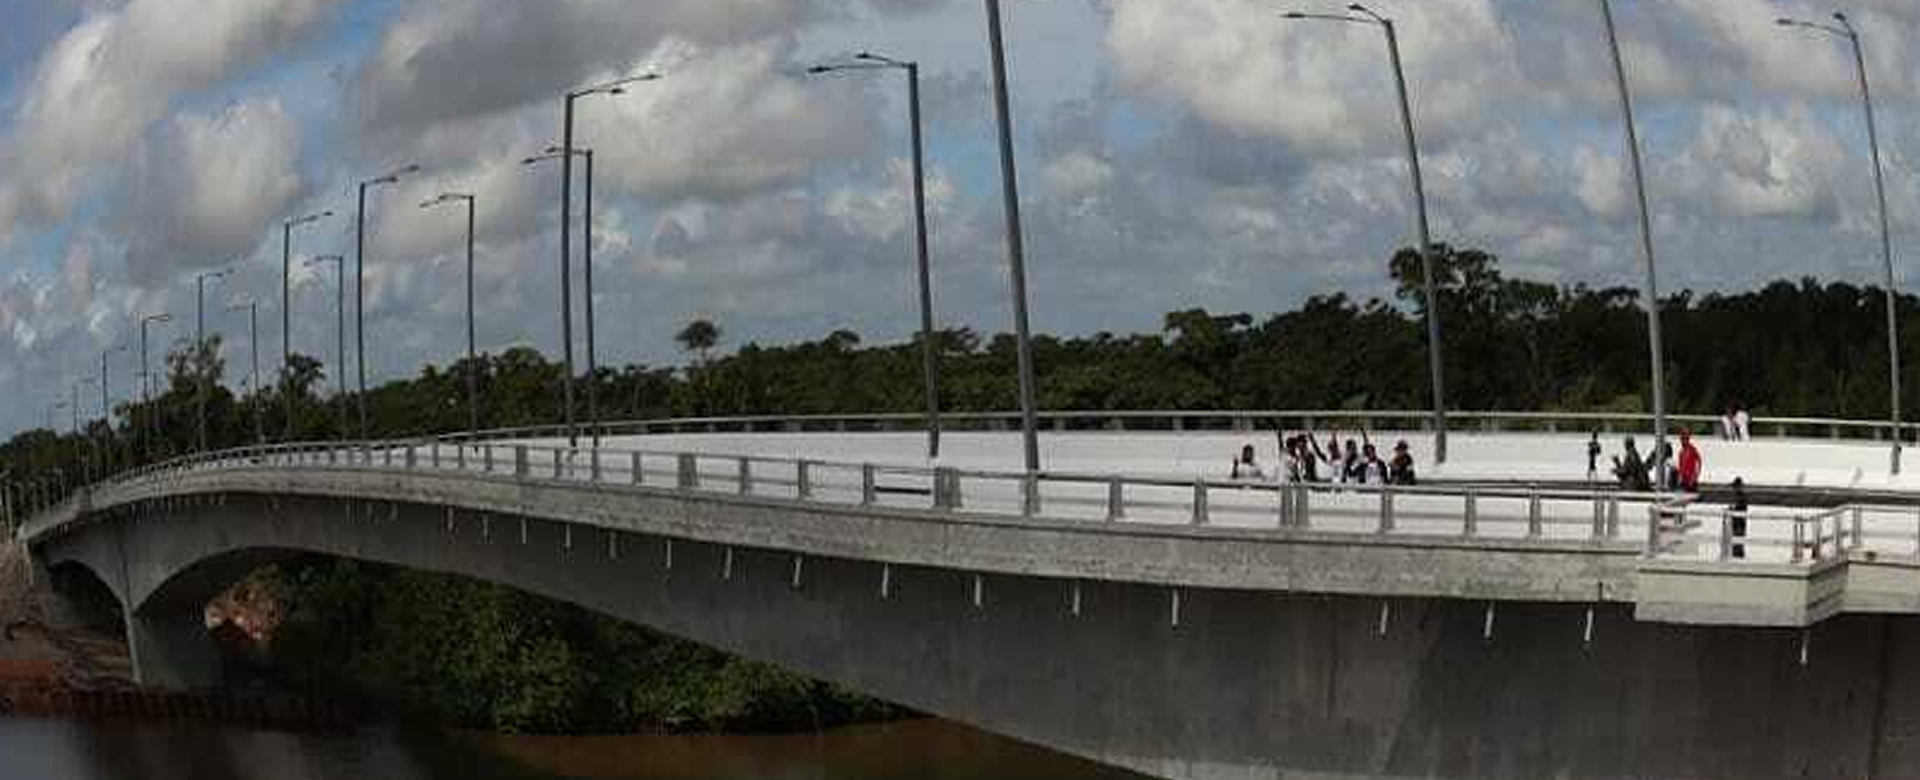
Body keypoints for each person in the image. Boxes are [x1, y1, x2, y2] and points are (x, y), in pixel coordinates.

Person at [1728, 477, 1749, 559]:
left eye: (1735, 487)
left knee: (1738, 544)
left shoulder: (1741, 497)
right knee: (1736, 544)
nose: (1733, 489)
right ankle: (1737, 557)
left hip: (1739, 524)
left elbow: (1740, 510)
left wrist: (1732, 510)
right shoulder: (1740, 496)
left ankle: (1738, 558)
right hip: (1737, 524)